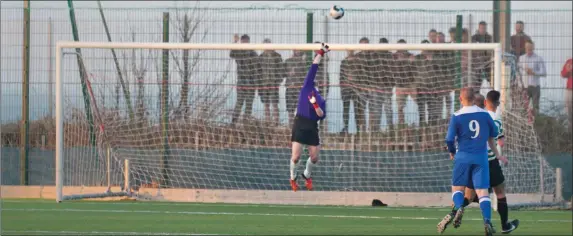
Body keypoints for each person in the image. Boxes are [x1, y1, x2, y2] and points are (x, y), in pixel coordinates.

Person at [437, 87, 504, 236]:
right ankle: (487, 222)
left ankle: (459, 207)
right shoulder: (485, 114)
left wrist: (452, 152)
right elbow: (493, 133)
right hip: (481, 158)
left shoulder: (457, 116)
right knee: (482, 192)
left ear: (460, 100)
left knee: (457, 189)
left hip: (463, 157)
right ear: (474, 99)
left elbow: (449, 139)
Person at [456, 90, 520, 234]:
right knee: (500, 192)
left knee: (470, 195)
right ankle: (504, 225)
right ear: (498, 103)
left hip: (474, 160)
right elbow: (500, 142)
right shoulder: (496, 118)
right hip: (490, 161)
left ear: (485, 102)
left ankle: (455, 211)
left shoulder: (478, 116)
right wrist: (500, 147)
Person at [289, 43, 329, 192]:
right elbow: (314, 67)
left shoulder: (321, 100)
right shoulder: (306, 87)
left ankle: (307, 175)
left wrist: (315, 105)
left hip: (312, 126)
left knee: (314, 158)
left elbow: (322, 115)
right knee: (295, 157)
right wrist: (321, 53)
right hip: (300, 123)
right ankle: (293, 178)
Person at [230, 34, 261, 124]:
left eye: (247, 41)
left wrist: (257, 81)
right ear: (241, 41)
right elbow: (232, 54)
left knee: (249, 104)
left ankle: (245, 123)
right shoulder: (239, 52)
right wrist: (235, 42)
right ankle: (233, 122)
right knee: (239, 102)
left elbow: (258, 68)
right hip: (241, 81)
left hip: (251, 82)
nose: (245, 43)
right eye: (243, 41)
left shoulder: (253, 53)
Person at [259, 38, 285, 125]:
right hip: (263, 84)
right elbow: (258, 71)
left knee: (274, 103)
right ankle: (267, 122)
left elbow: (281, 70)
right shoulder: (261, 57)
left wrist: (277, 81)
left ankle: (276, 122)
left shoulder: (277, 56)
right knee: (266, 104)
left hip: (274, 84)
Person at [518, 40, 546, 115]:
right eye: (527, 48)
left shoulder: (538, 58)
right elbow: (518, 72)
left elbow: (544, 73)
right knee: (523, 107)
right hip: (525, 86)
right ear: (525, 48)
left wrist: (534, 72)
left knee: (535, 107)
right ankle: (523, 124)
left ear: (533, 47)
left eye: (530, 48)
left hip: (535, 86)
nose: (529, 50)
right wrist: (525, 72)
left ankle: (536, 124)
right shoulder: (521, 58)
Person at [284, 50, 307, 126]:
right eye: (295, 50)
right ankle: (291, 126)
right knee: (290, 109)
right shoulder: (288, 61)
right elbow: (282, 73)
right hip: (290, 87)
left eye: (298, 50)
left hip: (299, 88)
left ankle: (300, 126)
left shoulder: (304, 63)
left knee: (301, 109)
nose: (297, 51)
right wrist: (288, 73)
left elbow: (306, 76)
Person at [339, 50, 359, 133]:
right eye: (348, 50)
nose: (349, 52)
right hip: (346, 89)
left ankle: (359, 130)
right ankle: (346, 128)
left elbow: (360, 74)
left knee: (357, 110)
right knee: (346, 109)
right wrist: (342, 88)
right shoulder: (344, 62)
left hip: (356, 89)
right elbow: (341, 76)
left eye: (351, 50)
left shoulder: (358, 61)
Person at [560, 58, 572, 128]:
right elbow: (562, 74)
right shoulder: (569, 61)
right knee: (568, 113)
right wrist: (567, 71)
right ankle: (569, 133)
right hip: (569, 90)